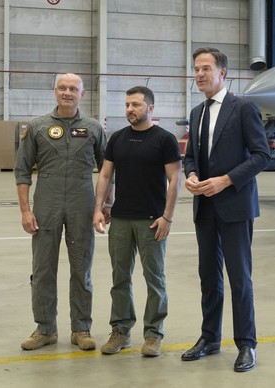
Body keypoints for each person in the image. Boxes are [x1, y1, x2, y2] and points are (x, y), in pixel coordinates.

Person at [181, 47, 270, 372]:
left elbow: (262, 155)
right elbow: (190, 155)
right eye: (195, 69)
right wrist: (191, 174)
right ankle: (210, 337)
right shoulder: (197, 112)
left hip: (235, 205)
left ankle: (246, 344)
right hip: (204, 207)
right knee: (208, 276)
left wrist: (226, 181)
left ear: (222, 73)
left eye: (205, 68)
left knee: (239, 278)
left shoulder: (243, 107)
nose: (199, 74)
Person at [15, 73, 107, 351]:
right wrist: (25, 211)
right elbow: (22, 171)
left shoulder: (93, 128)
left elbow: (108, 169)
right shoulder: (38, 127)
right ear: (54, 91)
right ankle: (45, 329)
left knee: (82, 269)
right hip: (47, 204)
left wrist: (104, 206)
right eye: (62, 88)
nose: (67, 92)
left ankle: (81, 328)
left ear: (82, 93)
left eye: (73, 89)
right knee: (42, 269)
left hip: (83, 203)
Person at [93, 86, 181, 357]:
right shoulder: (117, 139)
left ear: (150, 108)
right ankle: (120, 330)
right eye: (128, 104)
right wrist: (99, 208)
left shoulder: (164, 139)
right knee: (119, 278)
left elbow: (174, 179)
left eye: (136, 105)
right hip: (120, 219)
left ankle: (153, 334)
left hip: (152, 221)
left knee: (155, 279)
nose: (130, 109)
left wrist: (167, 217)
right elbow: (106, 176)